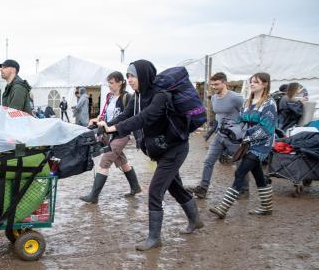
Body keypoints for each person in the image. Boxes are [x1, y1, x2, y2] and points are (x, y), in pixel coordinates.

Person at [98, 60, 204, 251]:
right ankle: (195, 220)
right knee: (175, 187)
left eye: (132, 76)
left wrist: (116, 128)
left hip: (174, 149)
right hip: (161, 151)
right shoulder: (138, 96)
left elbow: (145, 117)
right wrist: (105, 125)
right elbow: (126, 115)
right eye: (128, 76)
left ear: (144, 75)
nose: (129, 80)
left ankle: (154, 238)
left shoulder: (160, 96)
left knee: (155, 191)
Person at [210, 73, 277, 219]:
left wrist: (246, 137)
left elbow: (267, 128)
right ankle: (267, 207)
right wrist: (235, 131)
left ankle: (223, 208)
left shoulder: (269, 104)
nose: (252, 84)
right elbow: (241, 119)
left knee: (240, 172)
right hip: (247, 143)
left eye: (256, 82)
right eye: (251, 82)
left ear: (265, 84)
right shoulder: (249, 101)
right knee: (258, 174)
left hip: (261, 144)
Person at [80, 71, 141, 202]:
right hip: (108, 135)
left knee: (105, 161)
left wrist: (107, 124)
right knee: (122, 162)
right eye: (108, 83)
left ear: (120, 82)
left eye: (112, 83)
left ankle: (94, 196)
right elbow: (106, 115)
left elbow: (125, 117)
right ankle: (135, 187)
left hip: (121, 134)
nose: (110, 86)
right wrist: (98, 119)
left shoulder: (128, 97)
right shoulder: (108, 96)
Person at [190, 72, 247, 199]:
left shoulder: (236, 98)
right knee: (208, 161)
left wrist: (242, 130)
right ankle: (203, 188)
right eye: (212, 85)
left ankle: (244, 190)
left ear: (224, 83)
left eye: (216, 84)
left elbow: (247, 113)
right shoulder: (214, 98)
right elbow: (217, 116)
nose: (214, 87)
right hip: (220, 135)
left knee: (240, 163)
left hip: (234, 137)